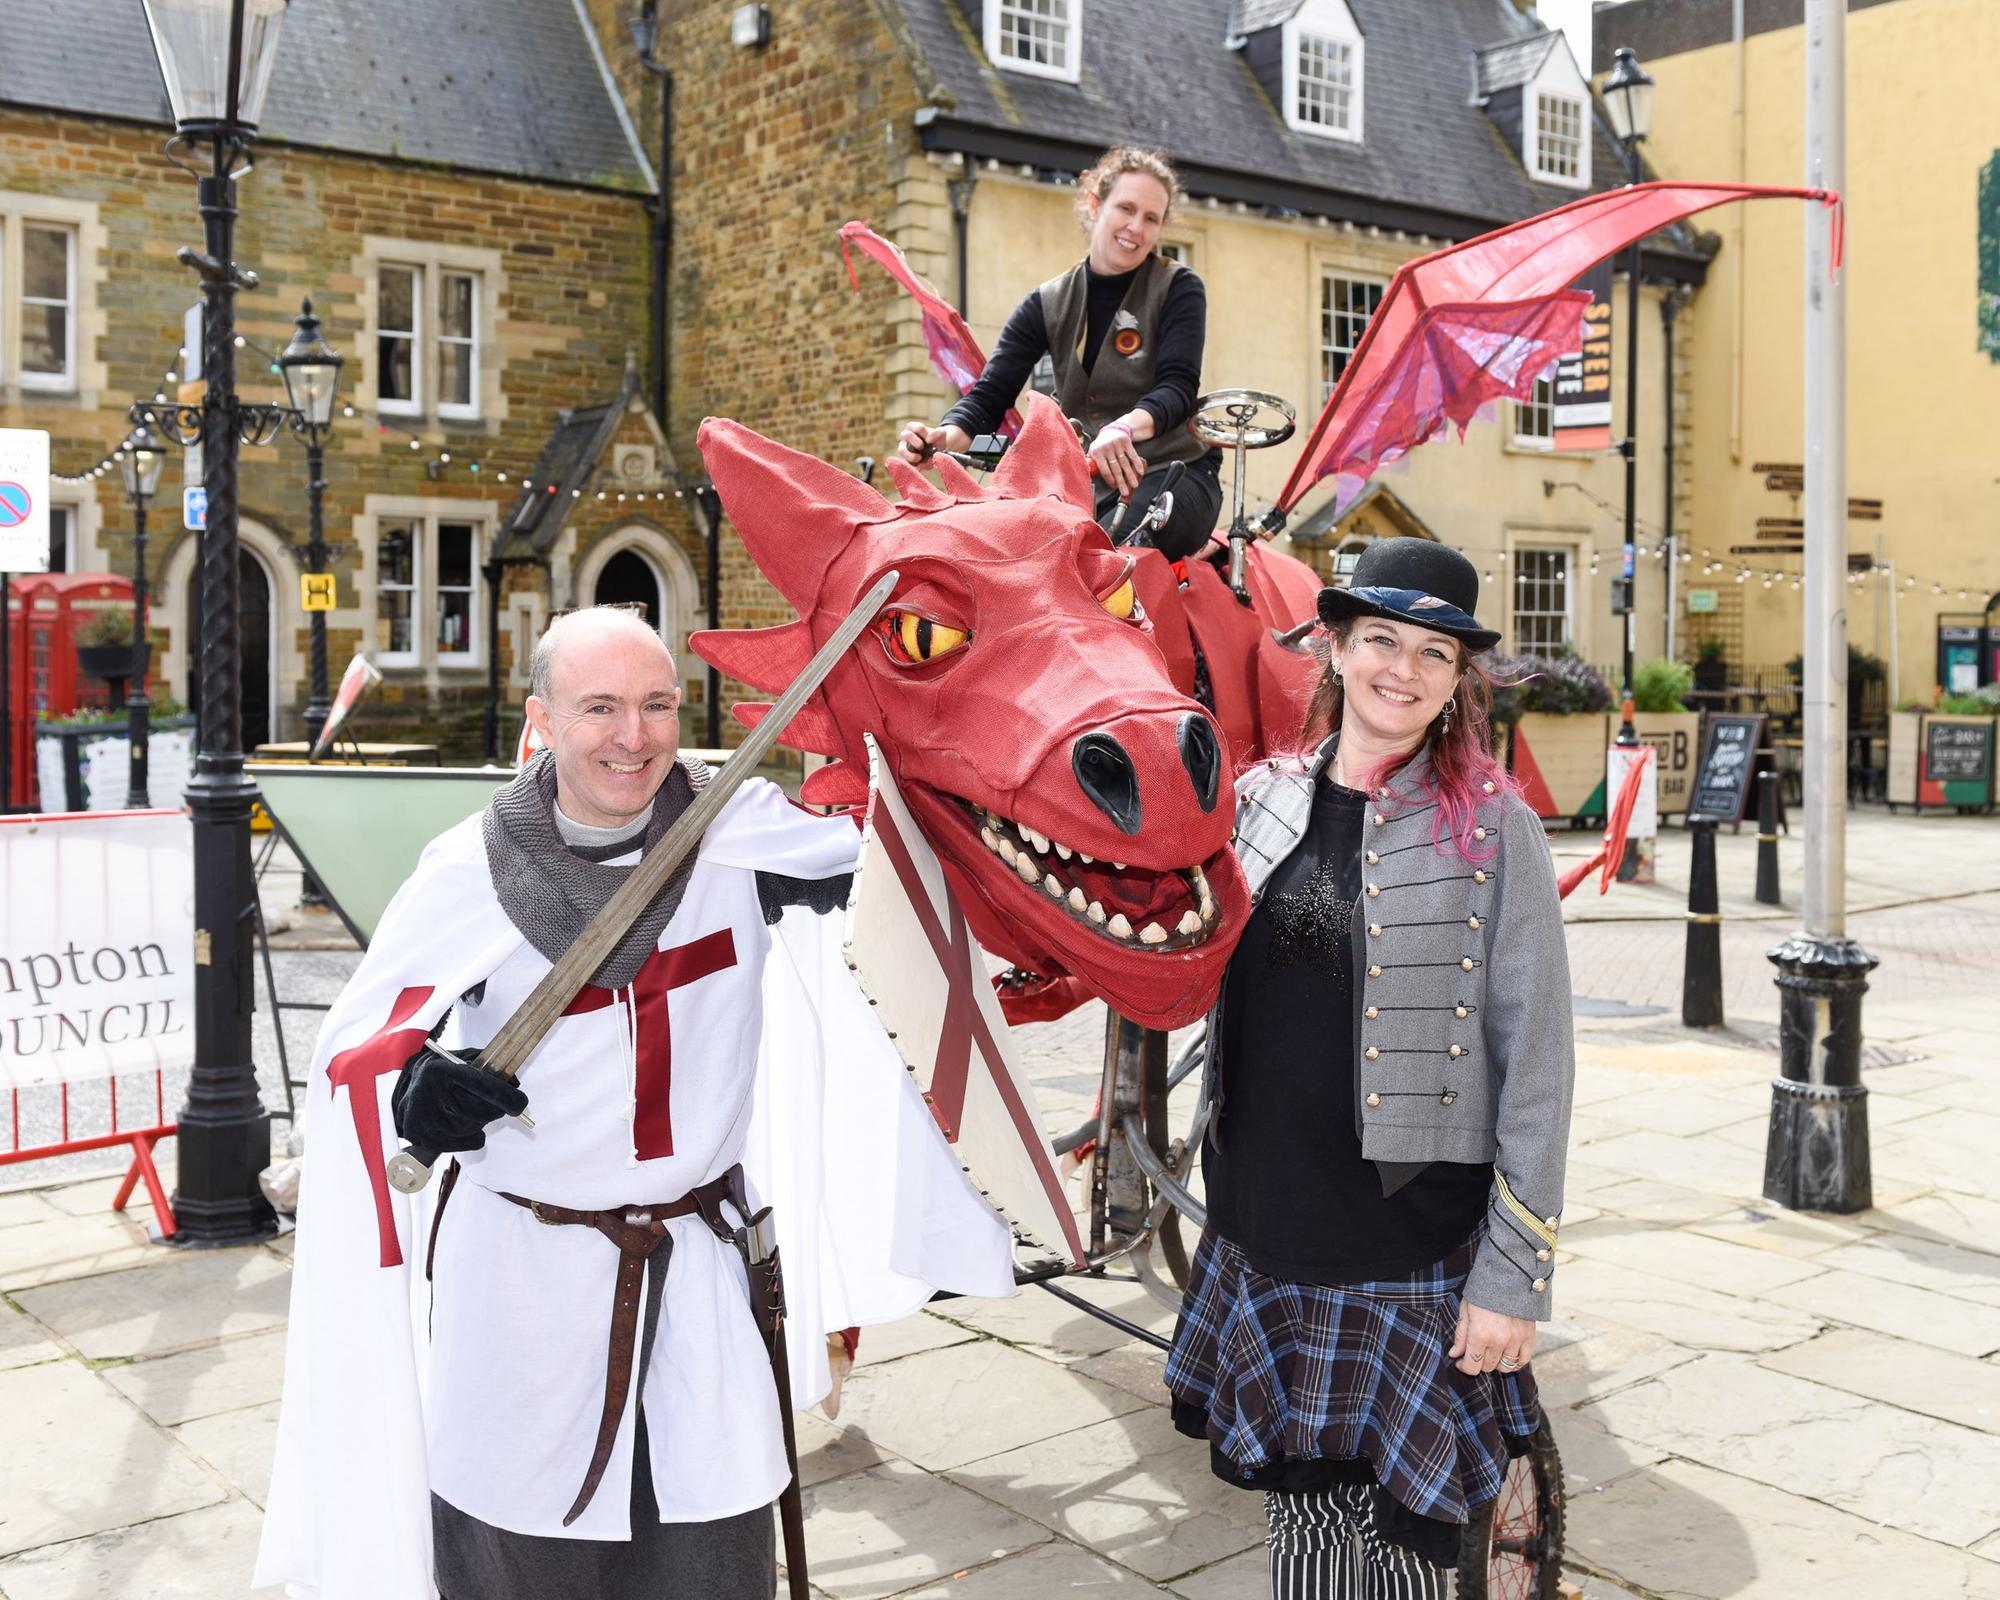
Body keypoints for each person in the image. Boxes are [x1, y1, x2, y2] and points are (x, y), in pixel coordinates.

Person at [254, 607, 1013, 1600]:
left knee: (709, 1551)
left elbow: (920, 853)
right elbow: (357, 1051)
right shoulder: (468, 872)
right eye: (600, 706)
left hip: (698, 1274)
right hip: (525, 1287)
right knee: (521, 1560)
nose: (633, 735)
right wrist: (417, 1084)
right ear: (542, 719)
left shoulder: (744, 840)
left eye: (656, 705)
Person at [1165, 537, 1575, 1599]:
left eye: (1433, 652)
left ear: (1455, 682)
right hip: (1264, 1227)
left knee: (1402, 1550)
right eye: (1381, 639)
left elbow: (1535, 1064)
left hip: (1407, 1244)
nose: (1403, 668)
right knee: (1303, 1526)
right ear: (1335, 646)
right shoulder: (1256, 800)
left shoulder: (1496, 829)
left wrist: (1510, 1275)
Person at [895, 145, 1224, 559]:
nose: (1136, 227)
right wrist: (943, 436)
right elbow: (990, 396)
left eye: (1151, 218)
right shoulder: (1046, 303)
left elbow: (1177, 386)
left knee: (1109, 557)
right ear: (1094, 204)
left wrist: (1121, 429)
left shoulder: (1179, 288)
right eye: (1126, 208)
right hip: (1085, 483)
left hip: (1175, 472)